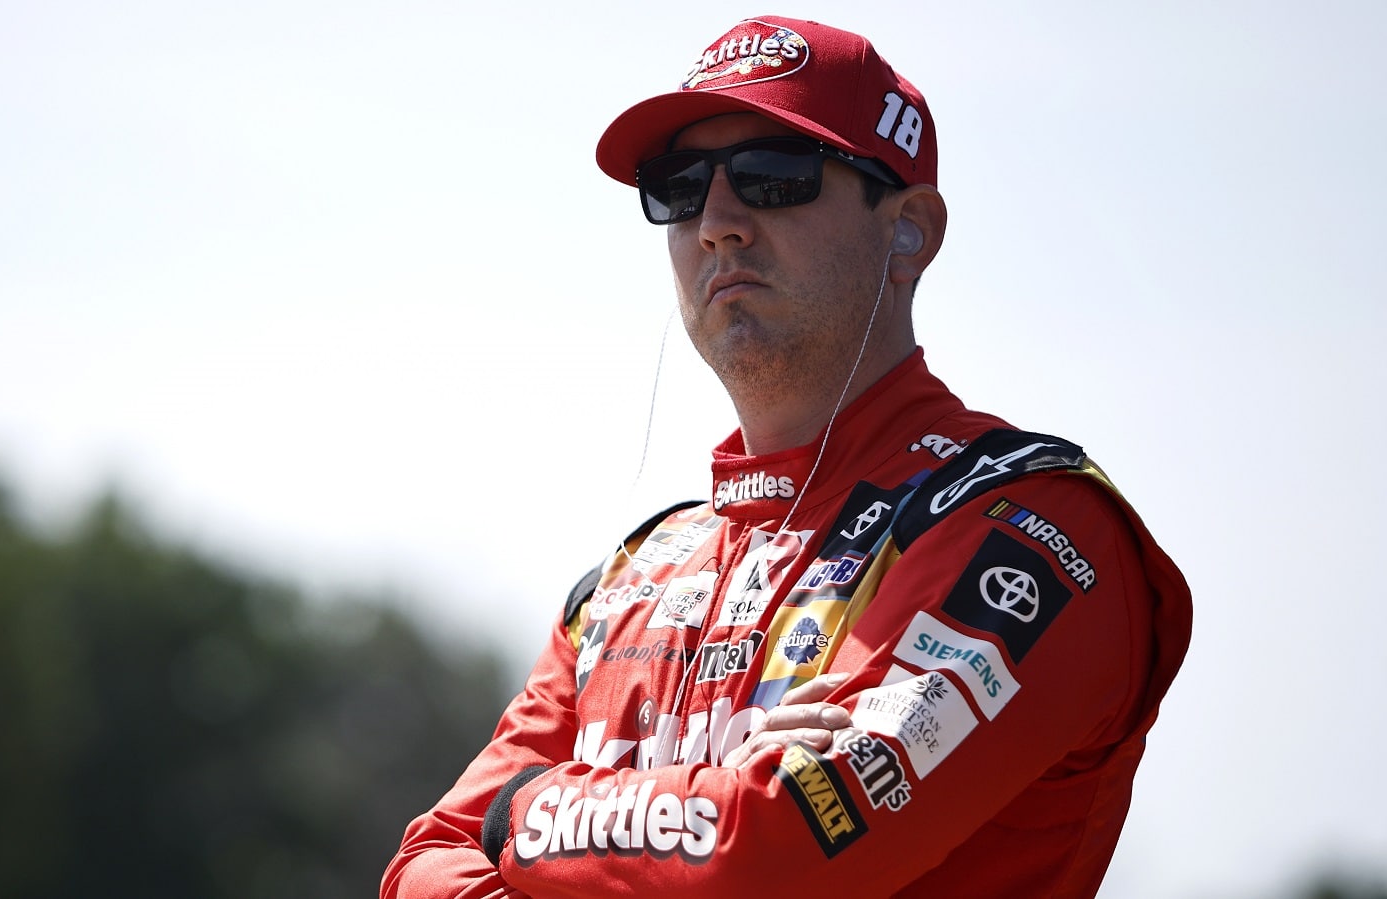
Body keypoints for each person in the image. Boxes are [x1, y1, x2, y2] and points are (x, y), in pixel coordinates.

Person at [382, 15, 1191, 898]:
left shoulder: (1033, 524)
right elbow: (421, 867)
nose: (718, 223)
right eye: (679, 187)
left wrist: (525, 814)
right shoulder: (625, 582)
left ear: (910, 229)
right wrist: (693, 807)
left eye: (774, 177)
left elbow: (775, 850)